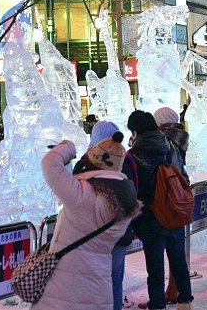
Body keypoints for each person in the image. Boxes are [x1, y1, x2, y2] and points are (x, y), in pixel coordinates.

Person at [32, 135, 140, 310]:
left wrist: (69, 146)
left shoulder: (81, 193)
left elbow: (49, 163)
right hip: (99, 285)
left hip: (66, 286)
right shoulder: (126, 202)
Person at [127, 111, 194, 310]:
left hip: (150, 218)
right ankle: (186, 302)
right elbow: (182, 175)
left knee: (155, 267)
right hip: (173, 211)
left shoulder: (133, 155)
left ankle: (157, 304)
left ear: (135, 130)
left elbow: (132, 190)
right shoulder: (171, 147)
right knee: (179, 261)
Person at [73, 121, 138, 310]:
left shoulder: (86, 162)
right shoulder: (127, 160)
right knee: (115, 281)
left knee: (92, 284)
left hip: (92, 234)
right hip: (119, 231)